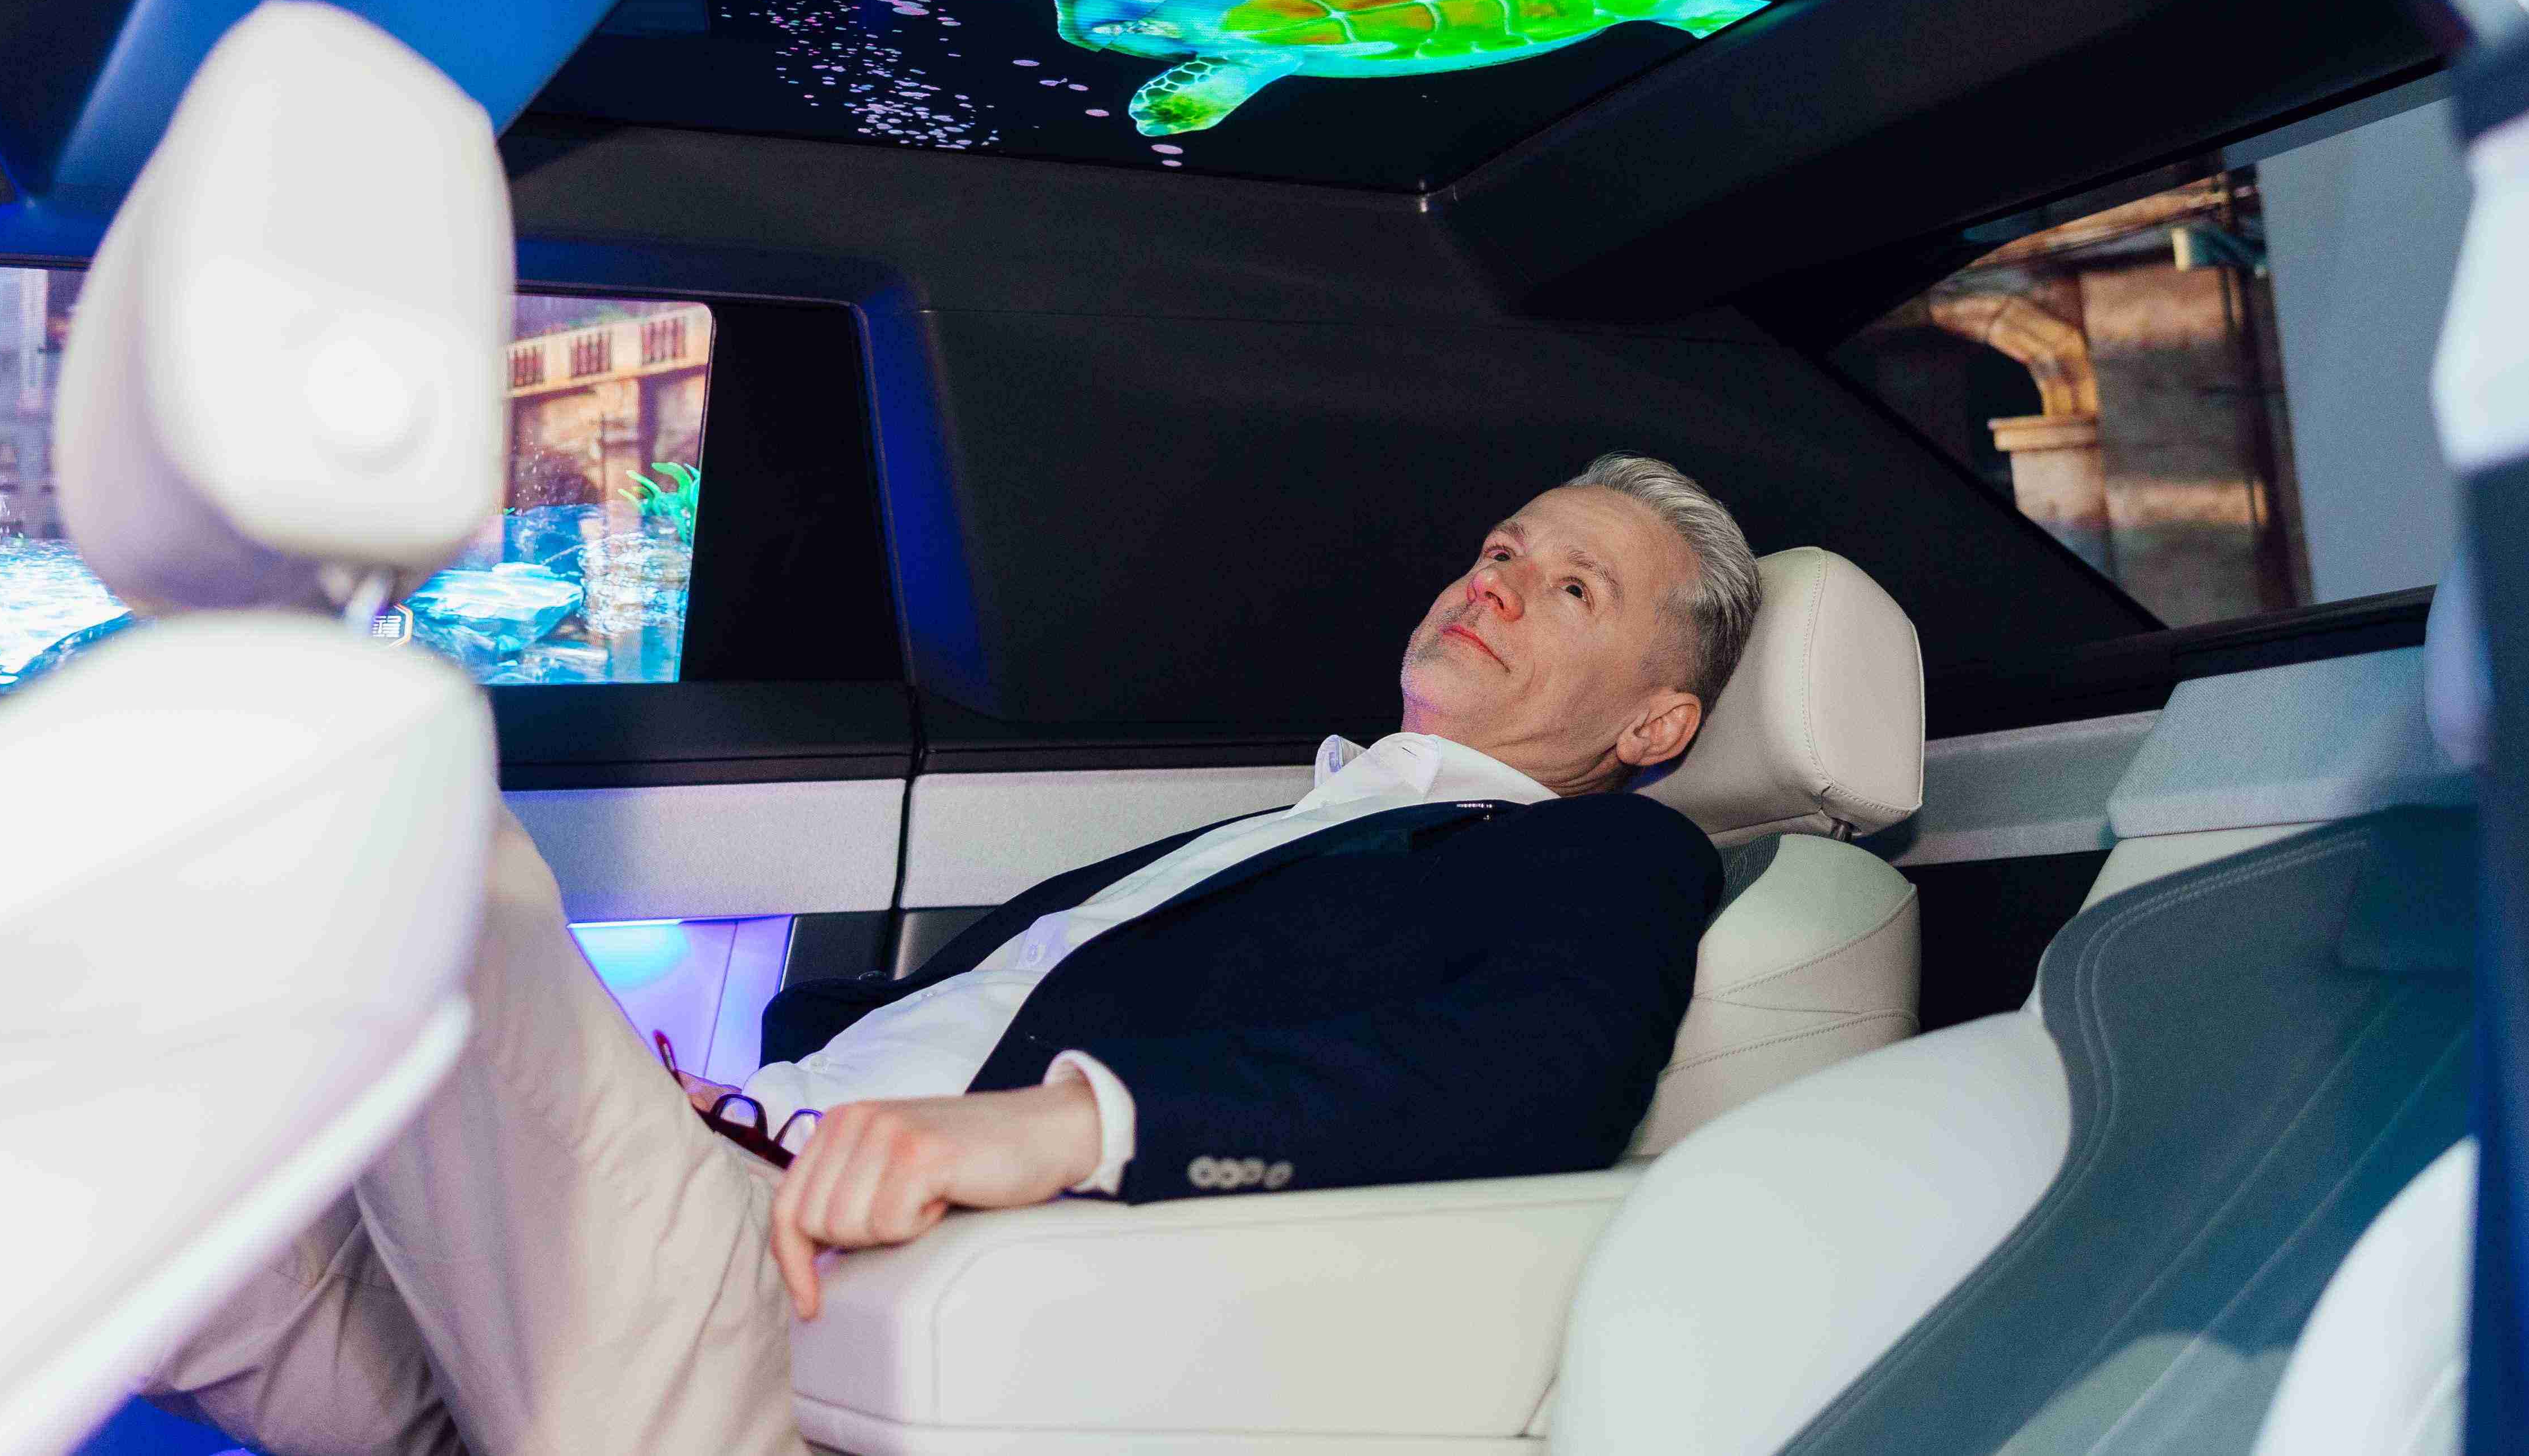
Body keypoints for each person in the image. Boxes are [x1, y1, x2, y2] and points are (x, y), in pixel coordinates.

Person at [150, 452, 1758, 1456]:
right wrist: (732, 1096)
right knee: (132, 1191)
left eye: (1569, 586)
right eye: (1502, 547)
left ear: (1654, 725)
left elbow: (1540, 1073)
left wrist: (1067, 1124)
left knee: (420, 831)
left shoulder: (1603, 853)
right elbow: (958, 1008)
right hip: (725, 1184)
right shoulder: (1304, 824)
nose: (1497, 583)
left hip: (784, 1280)